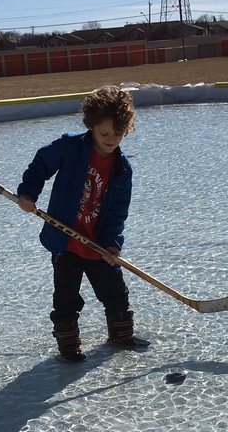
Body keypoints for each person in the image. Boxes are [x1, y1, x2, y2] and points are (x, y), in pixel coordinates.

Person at [16, 85, 149, 362]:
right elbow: (41, 163)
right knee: (66, 299)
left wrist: (112, 244)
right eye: (104, 133)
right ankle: (69, 348)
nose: (111, 139)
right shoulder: (70, 148)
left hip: (98, 245)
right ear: (91, 127)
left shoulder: (123, 170)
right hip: (66, 244)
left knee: (116, 294)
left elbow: (117, 213)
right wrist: (28, 194)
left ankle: (121, 336)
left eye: (118, 133)